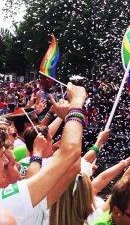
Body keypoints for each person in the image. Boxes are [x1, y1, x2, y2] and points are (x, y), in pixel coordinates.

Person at [0, 82, 86, 225]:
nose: (20, 167)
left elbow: (34, 178)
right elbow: (71, 158)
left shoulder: (16, 198)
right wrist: (76, 104)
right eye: (3, 156)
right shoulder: (11, 200)